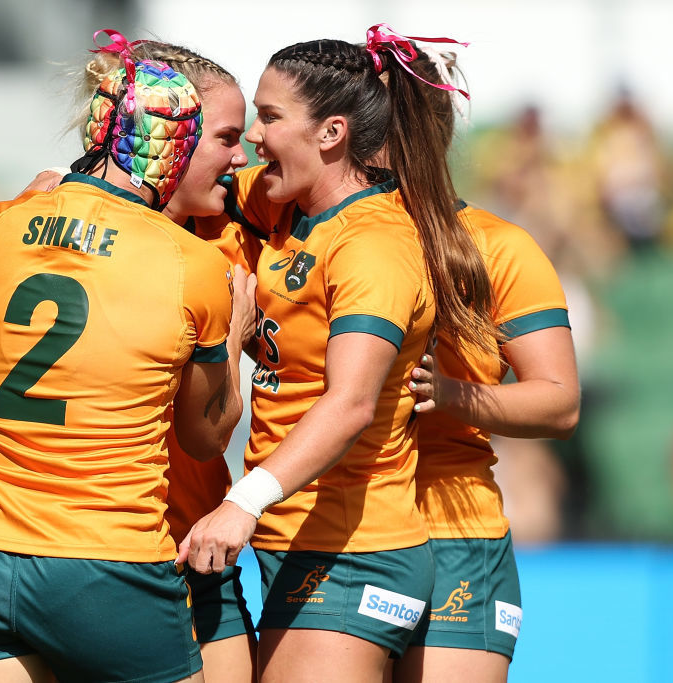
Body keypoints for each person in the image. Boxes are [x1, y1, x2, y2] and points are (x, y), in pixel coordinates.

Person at [0, 49, 245, 683]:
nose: (243, 159)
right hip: (116, 560)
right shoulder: (199, 265)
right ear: (175, 142)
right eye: (225, 138)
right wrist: (234, 338)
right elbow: (205, 435)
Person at [180, 26, 500, 682]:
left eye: (269, 118)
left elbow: (351, 402)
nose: (253, 138)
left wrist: (243, 501)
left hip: (354, 551)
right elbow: (158, 191)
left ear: (331, 134)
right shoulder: (279, 203)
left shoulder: (373, 246)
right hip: (295, 537)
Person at [392, 49, 581, 683]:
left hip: (453, 529)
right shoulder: (293, 234)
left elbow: (559, 399)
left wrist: (449, 394)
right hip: (327, 524)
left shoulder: (499, 247)